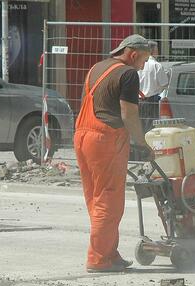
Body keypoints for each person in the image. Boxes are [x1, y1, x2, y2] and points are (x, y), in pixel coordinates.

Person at [74, 34, 155, 273]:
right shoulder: (128, 73)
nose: (142, 66)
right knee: (109, 200)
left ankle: (109, 253)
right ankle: (98, 259)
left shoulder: (97, 67)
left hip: (82, 135)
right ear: (133, 54)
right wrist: (143, 143)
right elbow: (128, 114)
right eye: (143, 60)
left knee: (96, 198)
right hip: (106, 138)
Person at [138, 41, 169, 133]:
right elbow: (164, 83)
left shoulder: (138, 64)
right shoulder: (156, 65)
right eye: (157, 50)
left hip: (137, 100)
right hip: (151, 101)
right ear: (153, 51)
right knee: (150, 127)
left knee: (140, 125)